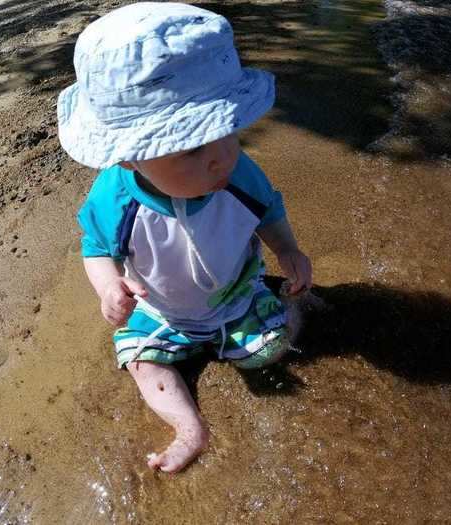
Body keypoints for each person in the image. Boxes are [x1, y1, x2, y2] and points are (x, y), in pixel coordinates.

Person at [56, 2, 312, 473]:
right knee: (142, 362)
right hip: (162, 311)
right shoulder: (115, 199)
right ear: (130, 157)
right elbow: (95, 248)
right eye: (193, 147)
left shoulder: (240, 175)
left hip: (235, 295)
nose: (222, 158)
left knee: (272, 350)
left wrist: (288, 249)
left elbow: (268, 212)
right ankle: (189, 428)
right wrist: (109, 287)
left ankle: (292, 303)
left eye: (229, 133)